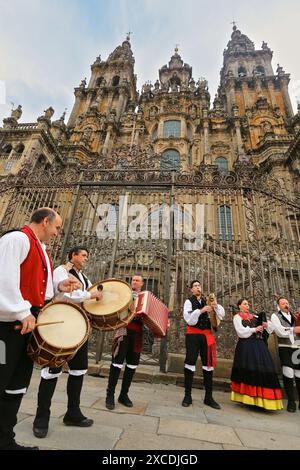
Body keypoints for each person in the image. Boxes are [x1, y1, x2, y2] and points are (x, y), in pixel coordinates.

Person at [0, 208, 78, 450]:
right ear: (45, 221)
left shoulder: (41, 248)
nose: (57, 233)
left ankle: (5, 440)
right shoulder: (16, 239)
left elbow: (38, 288)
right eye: (56, 227)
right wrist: (22, 311)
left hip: (27, 322)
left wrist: (58, 288)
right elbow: (4, 279)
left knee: (16, 385)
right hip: (7, 327)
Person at [32, 246, 103, 438]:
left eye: (87, 255)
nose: (86, 258)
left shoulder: (85, 279)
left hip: (79, 328)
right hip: (60, 327)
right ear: (73, 256)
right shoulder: (60, 271)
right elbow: (70, 294)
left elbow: (88, 298)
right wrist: (90, 295)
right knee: (52, 372)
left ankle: (73, 413)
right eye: (83, 255)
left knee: (78, 371)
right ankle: (41, 417)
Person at [230, 298, 283, 411]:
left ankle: (262, 400)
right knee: (248, 371)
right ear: (239, 306)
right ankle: (249, 399)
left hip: (259, 346)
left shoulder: (255, 317)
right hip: (246, 346)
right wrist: (255, 329)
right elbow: (240, 332)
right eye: (244, 304)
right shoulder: (237, 317)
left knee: (262, 371)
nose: (247, 306)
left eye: (248, 304)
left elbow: (271, 328)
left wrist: (265, 324)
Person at [182, 280, 225, 409]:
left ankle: (209, 397)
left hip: (207, 336)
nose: (198, 287)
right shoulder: (189, 302)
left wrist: (215, 306)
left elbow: (220, 316)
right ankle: (187, 396)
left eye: (199, 285)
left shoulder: (208, 300)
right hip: (193, 336)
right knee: (190, 363)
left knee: (208, 365)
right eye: (195, 286)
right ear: (191, 289)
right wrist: (201, 311)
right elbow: (189, 319)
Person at [105, 275, 144, 410]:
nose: (134, 282)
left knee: (132, 366)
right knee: (116, 364)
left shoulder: (146, 298)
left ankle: (123, 395)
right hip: (124, 332)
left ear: (142, 283)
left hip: (138, 334)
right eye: (133, 280)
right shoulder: (124, 294)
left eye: (137, 280)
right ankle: (110, 395)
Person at [271, 297, 300, 412]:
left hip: (297, 347)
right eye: (283, 303)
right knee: (288, 372)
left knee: (299, 374)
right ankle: (291, 402)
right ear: (278, 306)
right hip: (285, 347)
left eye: (287, 303)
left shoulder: (295, 316)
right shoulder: (275, 316)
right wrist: (293, 330)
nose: (286, 305)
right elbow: (279, 331)